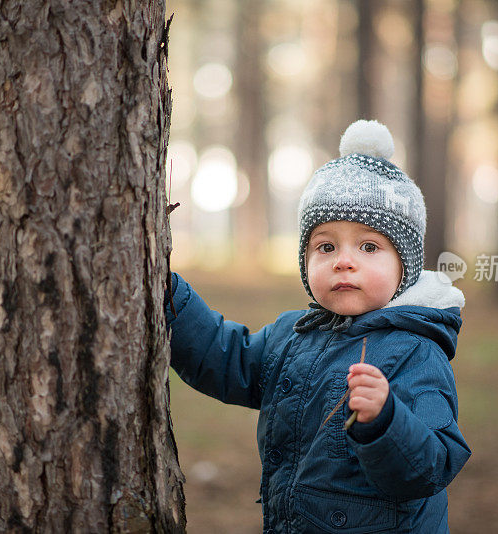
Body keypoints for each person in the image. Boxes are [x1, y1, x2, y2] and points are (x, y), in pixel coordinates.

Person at [165, 120, 471, 533]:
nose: (344, 260)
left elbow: (431, 467)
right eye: (325, 246)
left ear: (406, 265)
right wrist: (169, 296)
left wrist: (385, 421)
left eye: (369, 246)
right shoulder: (293, 335)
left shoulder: (416, 350)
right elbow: (225, 359)